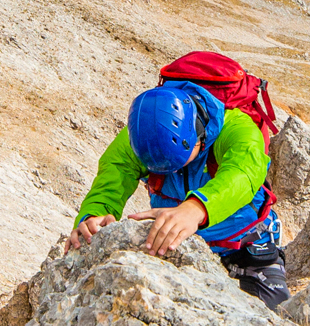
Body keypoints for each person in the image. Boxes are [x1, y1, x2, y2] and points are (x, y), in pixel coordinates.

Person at [68, 72, 290, 310]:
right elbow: (116, 170)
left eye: (177, 161)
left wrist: (196, 208)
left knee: (275, 319)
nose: (169, 171)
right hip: (178, 247)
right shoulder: (143, 133)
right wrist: (95, 214)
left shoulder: (237, 129)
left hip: (247, 250)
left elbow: (244, 173)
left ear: (199, 138)